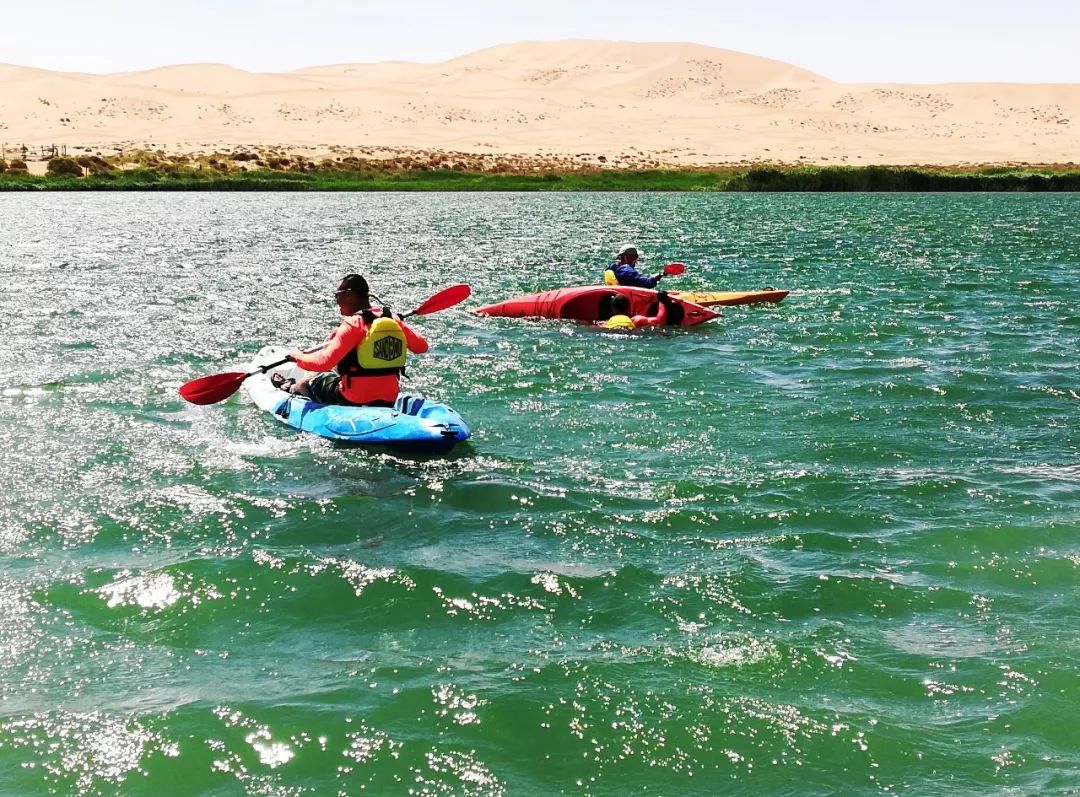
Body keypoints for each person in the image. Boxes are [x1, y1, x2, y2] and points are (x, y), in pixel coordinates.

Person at [273, 274, 429, 406]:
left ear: (349, 294)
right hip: (389, 398)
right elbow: (421, 347)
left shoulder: (353, 323)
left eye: (337, 294)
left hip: (352, 398)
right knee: (337, 367)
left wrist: (298, 356)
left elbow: (324, 362)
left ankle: (293, 388)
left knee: (313, 377)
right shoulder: (392, 319)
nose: (336, 300)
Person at [598, 292, 668, 331]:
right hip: (632, 336)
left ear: (613, 309)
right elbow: (659, 320)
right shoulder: (637, 321)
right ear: (628, 308)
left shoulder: (605, 324)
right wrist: (662, 301)